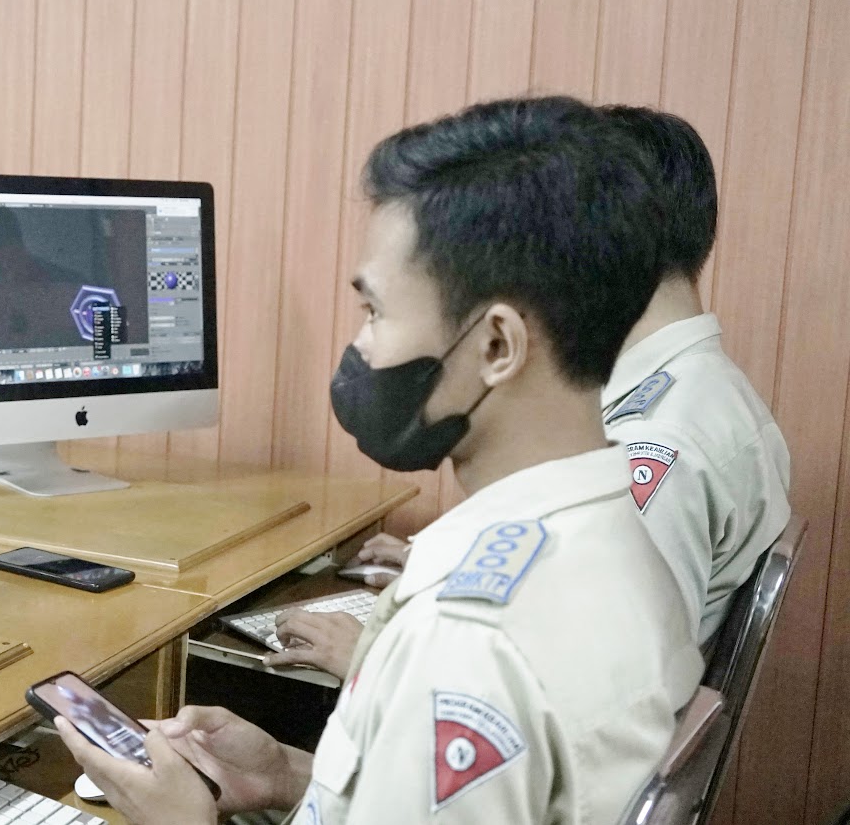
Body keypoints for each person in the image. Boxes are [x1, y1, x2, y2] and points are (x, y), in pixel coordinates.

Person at [54, 96, 703, 824]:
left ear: (497, 345)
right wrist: (290, 777)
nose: (360, 348)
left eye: (376, 312)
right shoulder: (620, 530)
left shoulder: (466, 643)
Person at [271, 105, 791, 670]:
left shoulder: (657, 443)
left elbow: (592, 675)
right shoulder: (707, 390)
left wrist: (375, 658)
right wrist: (453, 564)